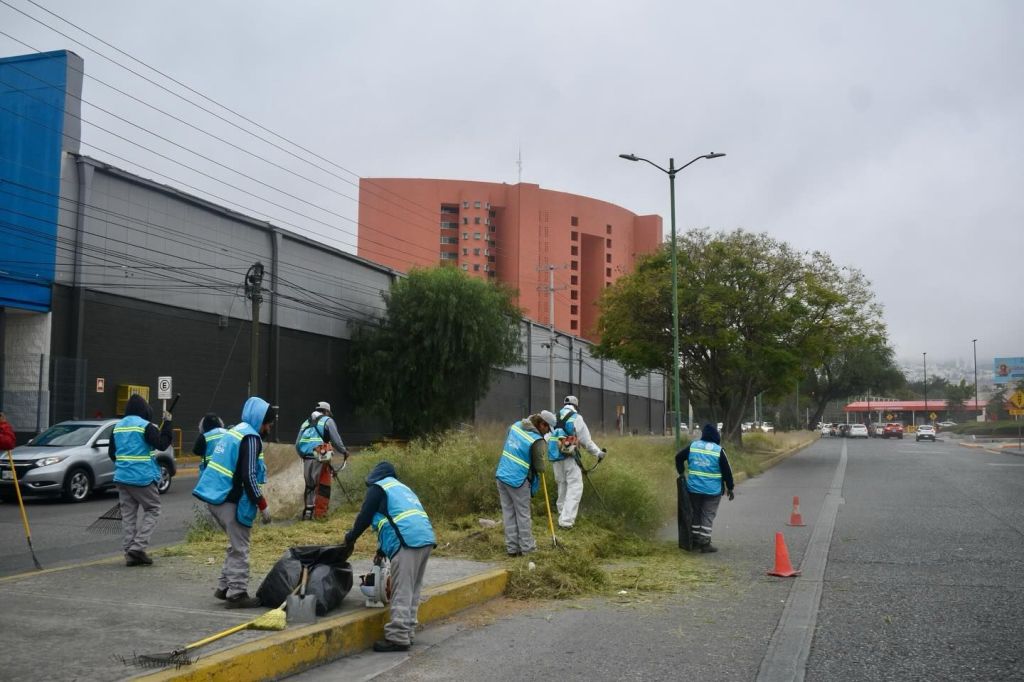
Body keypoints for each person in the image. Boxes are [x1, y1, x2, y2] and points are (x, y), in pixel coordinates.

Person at [342, 461, 436, 652]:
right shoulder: (402, 489)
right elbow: (394, 519)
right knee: (413, 588)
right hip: (425, 539)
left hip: (407, 541)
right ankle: (408, 630)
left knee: (401, 588)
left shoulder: (379, 488)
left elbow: (364, 518)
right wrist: (380, 551)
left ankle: (398, 637)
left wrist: (349, 539)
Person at [193, 396, 276, 608]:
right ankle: (237, 593)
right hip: (230, 499)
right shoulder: (250, 438)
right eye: (267, 423)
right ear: (259, 420)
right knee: (240, 547)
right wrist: (263, 504)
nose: (268, 427)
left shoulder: (236, 431)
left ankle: (223, 587)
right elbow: (248, 475)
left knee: (234, 543)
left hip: (215, 498)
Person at [107, 394, 173, 566]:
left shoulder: (117, 427)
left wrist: (125, 465)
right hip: (142, 478)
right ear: (144, 410)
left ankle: (130, 553)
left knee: (128, 516)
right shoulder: (146, 426)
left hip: (122, 478)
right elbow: (162, 444)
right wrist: (168, 424)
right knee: (153, 509)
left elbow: (111, 454)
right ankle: (138, 547)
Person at [496, 411, 555, 556]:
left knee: (509, 514)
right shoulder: (537, 440)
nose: (547, 432)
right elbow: (540, 467)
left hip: (502, 475)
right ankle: (528, 549)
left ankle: (512, 549)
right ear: (542, 424)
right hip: (518, 480)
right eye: (548, 429)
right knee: (523, 515)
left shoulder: (515, 426)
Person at [675, 423, 735, 553]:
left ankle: (695, 540)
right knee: (707, 514)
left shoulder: (693, 446)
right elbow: (727, 472)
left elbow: (678, 457)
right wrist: (730, 488)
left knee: (695, 513)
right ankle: (705, 543)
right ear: (716, 436)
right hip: (712, 491)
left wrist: (681, 473)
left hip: (693, 488)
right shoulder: (719, 450)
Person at [549, 396, 604, 530]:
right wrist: (598, 453)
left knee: (562, 486)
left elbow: (548, 436)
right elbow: (586, 441)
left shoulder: (553, 417)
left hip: (555, 458)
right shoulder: (576, 418)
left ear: (564, 405)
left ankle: (562, 515)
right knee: (575, 487)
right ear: (576, 406)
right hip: (569, 458)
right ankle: (566, 523)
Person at [294, 401, 350, 520]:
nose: (329, 415)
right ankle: (319, 516)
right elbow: (336, 440)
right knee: (322, 486)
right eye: (328, 413)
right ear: (326, 412)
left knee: (310, 486)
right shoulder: (327, 421)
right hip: (321, 457)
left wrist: (303, 456)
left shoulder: (305, 423)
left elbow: (297, 444)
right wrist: (344, 451)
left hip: (306, 459)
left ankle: (308, 513)